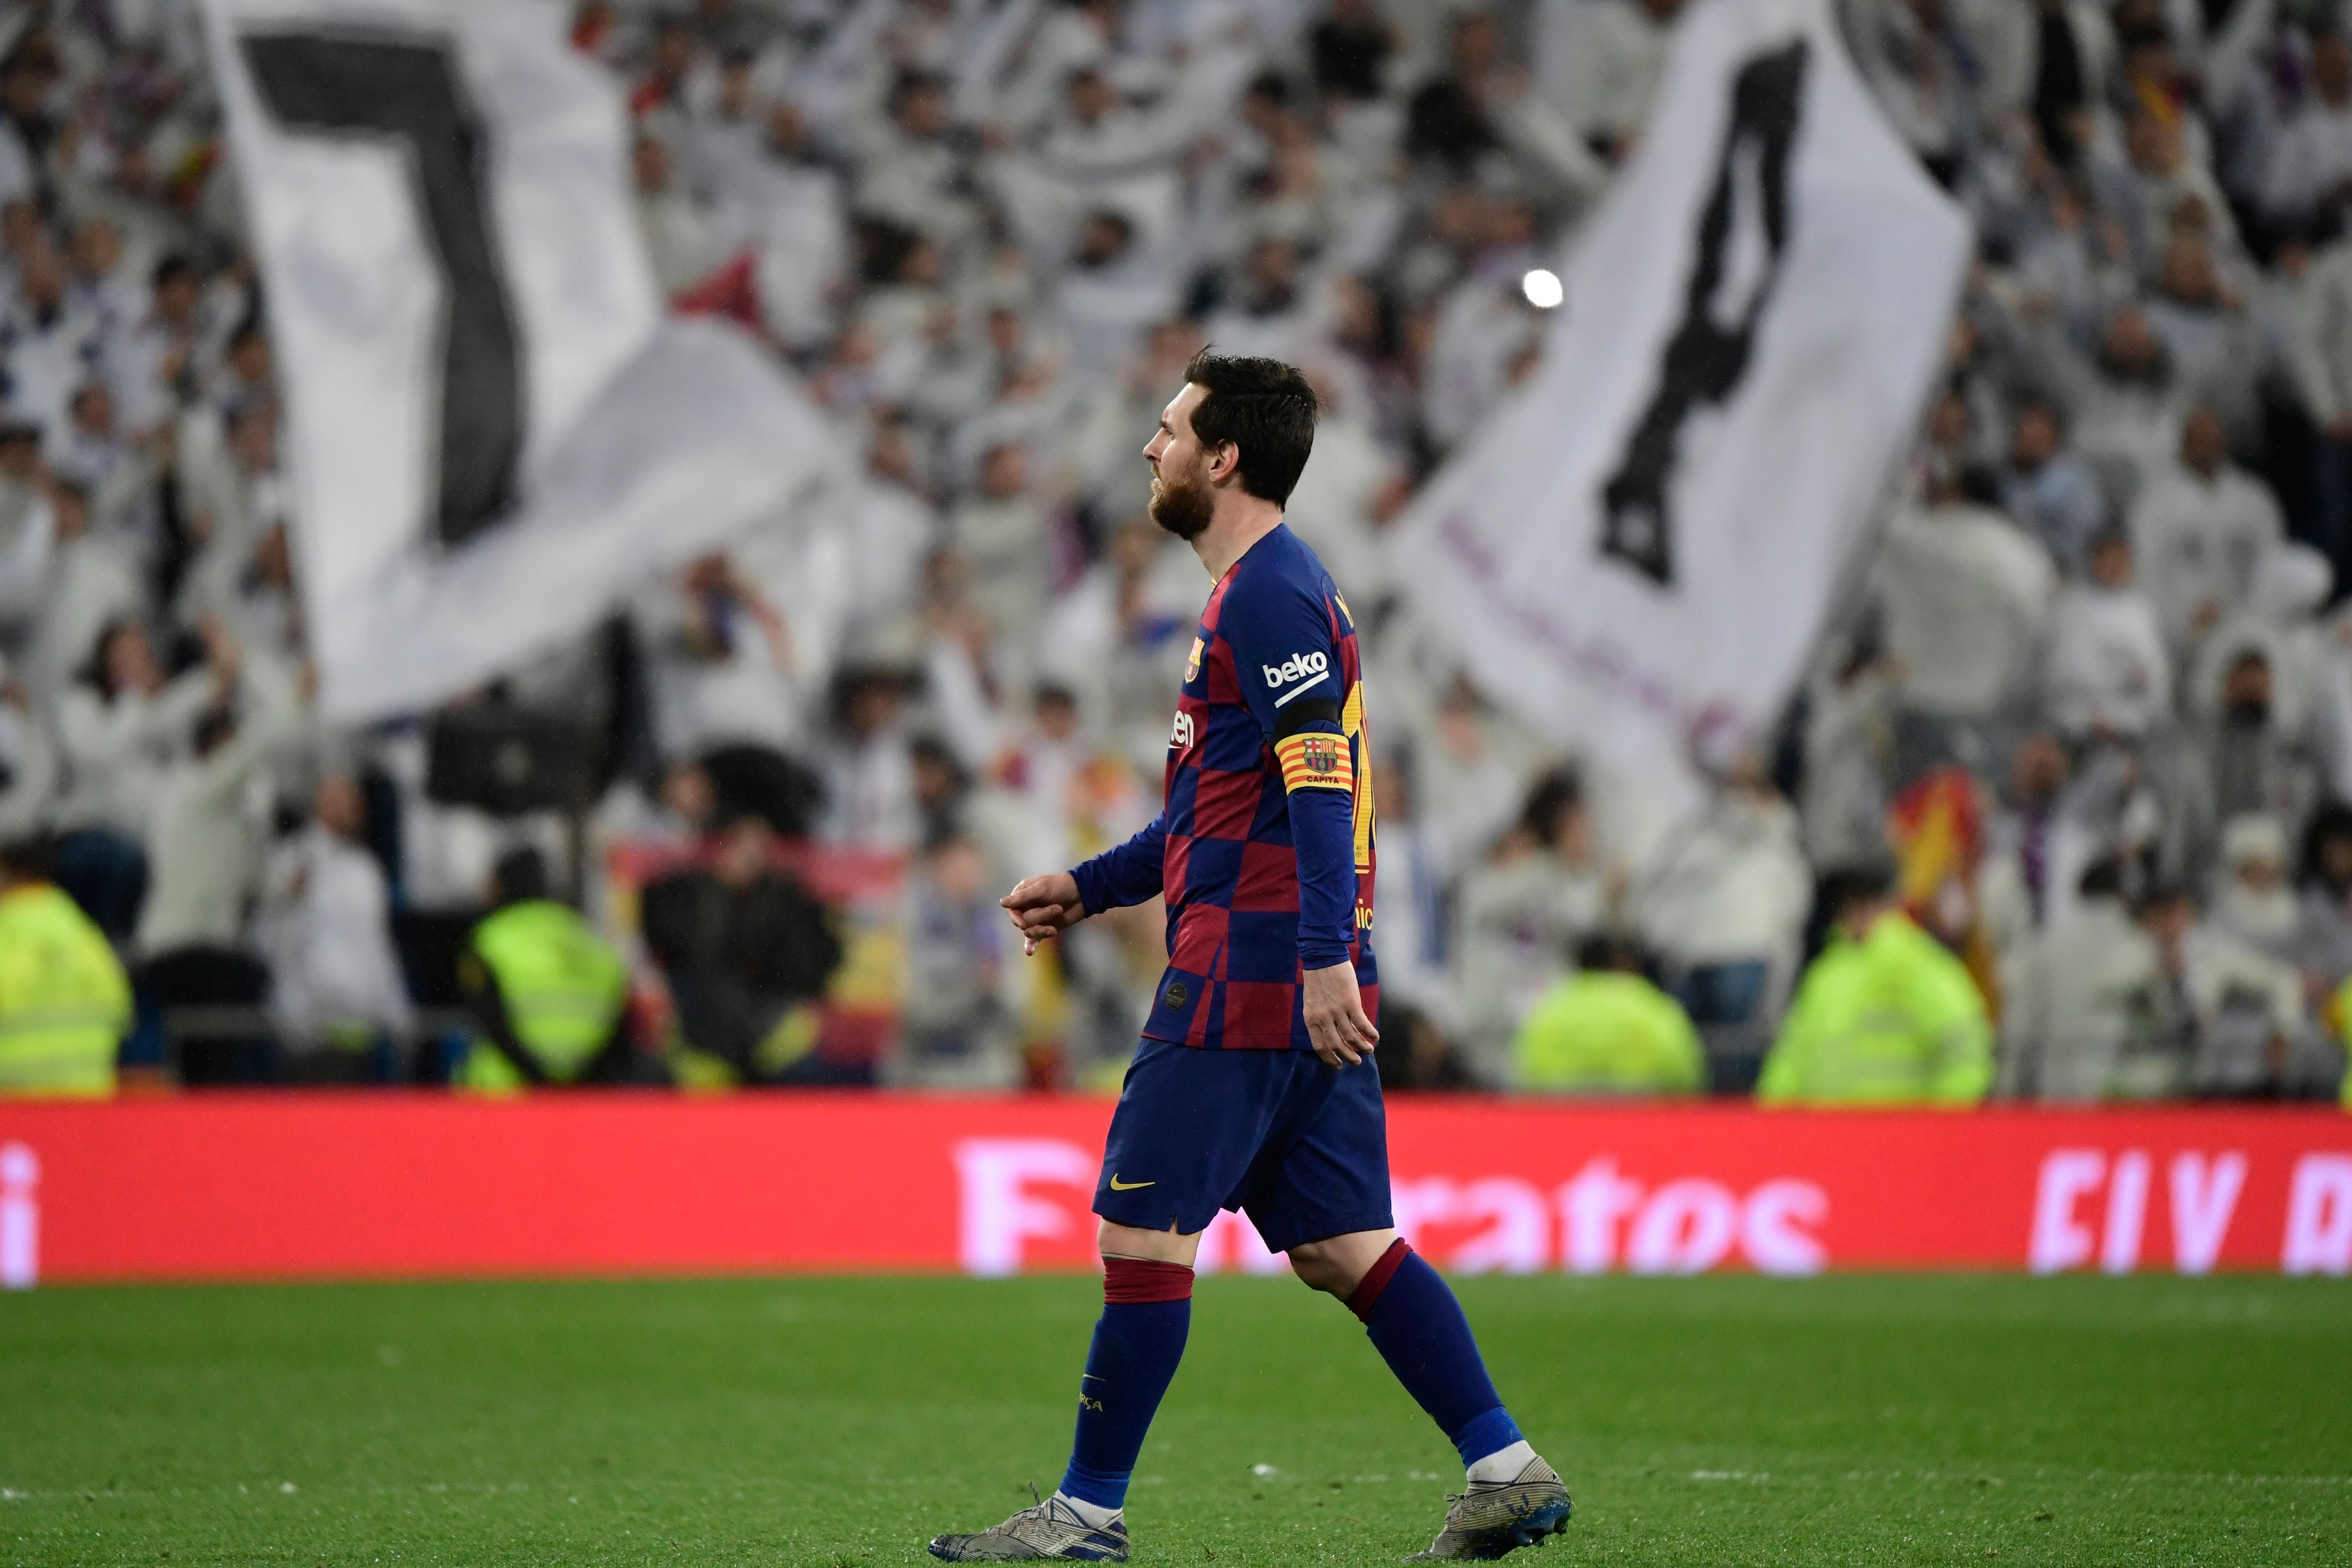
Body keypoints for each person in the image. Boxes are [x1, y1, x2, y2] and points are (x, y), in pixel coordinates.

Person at [934, 354, 1570, 1563]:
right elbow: (1214, 819)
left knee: (1139, 1239)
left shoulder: (1269, 594)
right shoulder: (1266, 593)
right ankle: (1504, 1465)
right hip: (1295, 967)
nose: (1149, 449)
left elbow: (1317, 789)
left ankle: (1085, 1515)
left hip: (1251, 975)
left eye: (1168, 429)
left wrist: (1324, 954)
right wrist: (1090, 885)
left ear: (1223, 458)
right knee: (1343, 1246)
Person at [1756, 864, 1995, 1105]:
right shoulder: (1826, 972)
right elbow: (1793, 1054)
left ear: (1887, 902)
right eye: (1847, 901)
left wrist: (1943, 1125)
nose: (1855, 911)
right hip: (1828, 1132)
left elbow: (1963, 1045)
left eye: (1866, 899)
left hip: (1898, 1132)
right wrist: (1772, 1117)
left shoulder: (1915, 963)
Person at [455, 847, 633, 1093]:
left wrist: (540, 1081)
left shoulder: (490, 938)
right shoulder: (591, 940)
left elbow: (490, 1020)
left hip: (502, 1094)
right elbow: (617, 1018)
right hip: (580, 1094)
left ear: (504, 885)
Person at [0, 834, 132, 1095]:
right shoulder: (83, 934)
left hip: (15, 1107)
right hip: (86, 1105)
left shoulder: (7, 934)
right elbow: (120, 1010)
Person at [1513, 934, 1705, 1095]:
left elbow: (1525, 1071)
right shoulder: (1649, 1004)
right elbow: (1685, 1071)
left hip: (1563, 1117)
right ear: (1624, 964)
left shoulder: (1552, 1008)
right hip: (1643, 1116)